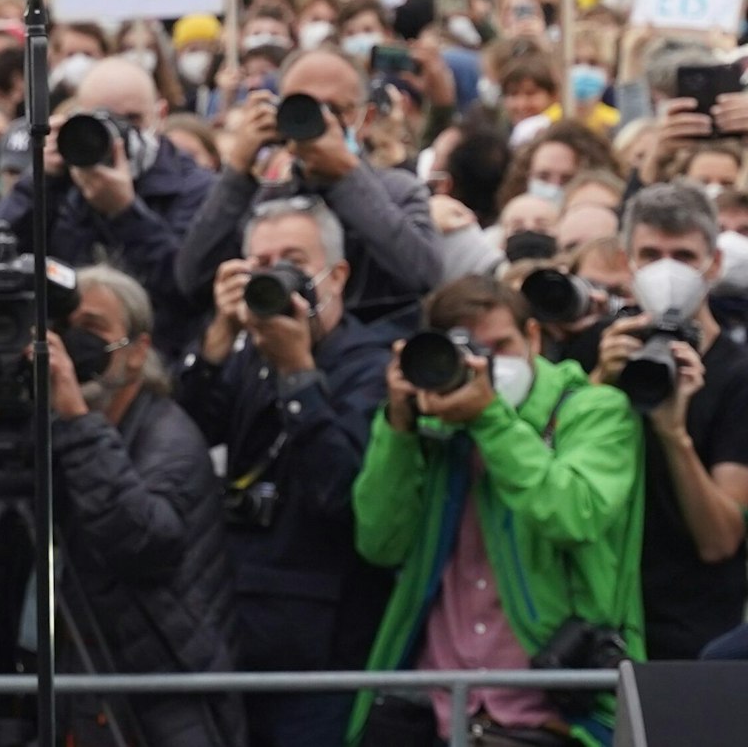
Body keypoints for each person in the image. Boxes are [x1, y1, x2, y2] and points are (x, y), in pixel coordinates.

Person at [350, 276, 643, 746]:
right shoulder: (430, 422)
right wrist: (399, 429)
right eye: (467, 352)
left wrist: (491, 421)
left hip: (552, 711)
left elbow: (575, 515)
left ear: (532, 337)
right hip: (435, 707)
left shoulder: (593, 410)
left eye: (499, 346)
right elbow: (380, 542)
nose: (484, 365)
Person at [175, 198, 402, 747]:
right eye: (262, 263)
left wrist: (299, 374)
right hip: (232, 628)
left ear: (337, 274)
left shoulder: (371, 367)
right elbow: (184, 437)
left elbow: (342, 491)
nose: (276, 276)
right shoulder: (246, 355)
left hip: (324, 647)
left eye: (293, 260)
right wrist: (214, 343)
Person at [46, 265, 245, 747]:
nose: (75, 347)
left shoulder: (169, 438)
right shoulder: (61, 429)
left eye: (92, 329)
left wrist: (75, 418)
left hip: (161, 692)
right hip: (87, 678)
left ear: (136, 352)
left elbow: (143, 543)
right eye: (65, 329)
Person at [592, 184, 748, 661]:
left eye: (683, 255)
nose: (666, 269)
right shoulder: (597, 353)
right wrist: (599, 384)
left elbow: (721, 539)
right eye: (650, 254)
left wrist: (673, 432)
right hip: (600, 625)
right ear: (627, 262)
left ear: (713, 265)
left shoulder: (739, 376)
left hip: (693, 633)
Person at [176, 49, 442, 327]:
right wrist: (238, 171)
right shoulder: (265, 200)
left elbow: (424, 274)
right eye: (304, 105)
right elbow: (192, 278)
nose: (320, 119)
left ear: (366, 116)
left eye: (335, 109)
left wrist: (347, 177)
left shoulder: (398, 190)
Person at [0, 57, 216, 355]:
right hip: (62, 353)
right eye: (102, 120)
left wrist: (126, 213)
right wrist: (38, 182)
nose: (117, 135)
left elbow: (188, 289)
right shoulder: (59, 180)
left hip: (157, 356)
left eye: (132, 120)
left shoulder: (196, 188)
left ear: (161, 115)